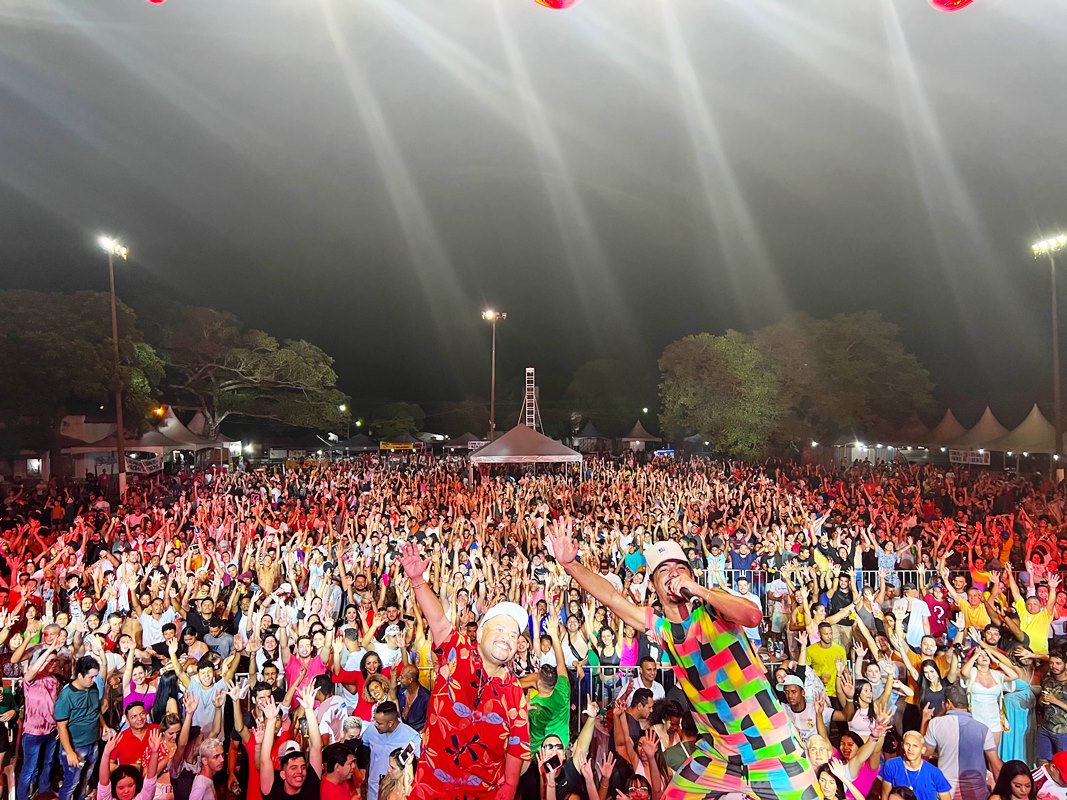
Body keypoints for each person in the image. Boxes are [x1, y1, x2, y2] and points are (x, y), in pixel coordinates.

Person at [548, 522, 819, 800]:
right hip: (719, 752)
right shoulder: (661, 628)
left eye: (680, 567)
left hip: (772, 747)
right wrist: (571, 565)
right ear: (653, 586)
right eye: (664, 570)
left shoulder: (713, 608)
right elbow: (612, 598)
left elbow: (752, 616)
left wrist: (700, 590)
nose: (674, 573)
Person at [397, 542, 530, 800]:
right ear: (480, 633)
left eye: (513, 635)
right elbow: (437, 620)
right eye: (500, 630)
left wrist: (510, 785)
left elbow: (517, 744)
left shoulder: (515, 690)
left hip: (485, 794)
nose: (507, 638)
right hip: (432, 789)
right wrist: (417, 581)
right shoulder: (458, 651)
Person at [922, 683, 1002, 800]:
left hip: (947, 792)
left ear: (948, 703)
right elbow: (996, 766)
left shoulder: (936, 724)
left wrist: (925, 721)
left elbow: (926, 752)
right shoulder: (983, 729)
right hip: (976, 793)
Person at [55, 652, 111, 800]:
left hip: (93, 743)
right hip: (76, 746)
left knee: (85, 780)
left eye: (95, 676)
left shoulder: (92, 688)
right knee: (71, 783)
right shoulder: (66, 696)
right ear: (80, 675)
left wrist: (104, 726)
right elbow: (61, 727)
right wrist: (69, 752)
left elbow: (95, 710)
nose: (94, 680)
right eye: (91, 677)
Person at [259, 686, 324, 800]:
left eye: (303, 767)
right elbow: (264, 759)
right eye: (293, 767)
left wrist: (308, 710)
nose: (300, 771)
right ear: (282, 774)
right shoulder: (273, 789)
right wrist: (271, 720)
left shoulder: (311, 785)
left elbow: (316, 747)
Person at [349, 701, 421, 800]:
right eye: (375, 720)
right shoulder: (371, 729)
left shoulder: (412, 737)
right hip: (373, 789)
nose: (375, 725)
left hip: (397, 793)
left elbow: (421, 764)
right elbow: (363, 749)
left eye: (379, 723)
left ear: (390, 723)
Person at [879, 730, 953, 800]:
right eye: (907, 744)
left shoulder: (934, 773)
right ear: (902, 745)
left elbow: (946, 797)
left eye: (915, 746)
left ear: (923, 750)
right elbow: (885, 795)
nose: (910, 749)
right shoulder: (892, 765)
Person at [97, 727, 163, 800]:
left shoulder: (142, 798)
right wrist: (106, 754)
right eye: (121, 788)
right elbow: (103, 782)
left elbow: (150, 779)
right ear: (114, 788)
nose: (126, 791)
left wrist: (154, 752)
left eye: (130, 785)